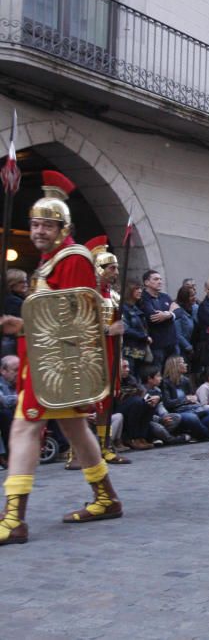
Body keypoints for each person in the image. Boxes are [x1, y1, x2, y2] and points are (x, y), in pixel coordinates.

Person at [0, 171, 123, 546]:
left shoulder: (73, 259)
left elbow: (74, 318)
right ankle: (106, 498)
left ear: (62, 227)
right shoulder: (49, 261)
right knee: (74, 429)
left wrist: (19, 325)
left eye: (46, 225)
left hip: (55, 363)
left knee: (24, 428)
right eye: (34, 224)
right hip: (43, 361)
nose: (38, 230)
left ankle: (14, 519)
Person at [79, 235, 129, 466]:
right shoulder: (86, 295)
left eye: (117, 267)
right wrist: (109, 331)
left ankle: (103, 446)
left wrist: (119, 357)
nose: (115, 271)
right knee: (85, 402)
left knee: (107, 403)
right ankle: (75, 452)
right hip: (90, 352)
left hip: (110, 352)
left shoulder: (115, 296)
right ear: (98, 268)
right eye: (111, 267)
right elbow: (80, 327)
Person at [173, 285, 198, 364]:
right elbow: (178, 334)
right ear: (184, 298)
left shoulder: (195, 308)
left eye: (194, 294)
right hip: (183, 349)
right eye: (191, 296)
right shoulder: (178, 311)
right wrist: (189, 347)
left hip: (195, 345)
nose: (194, 297)